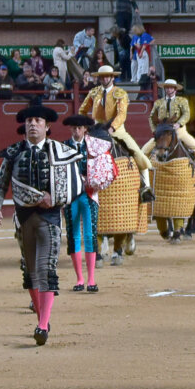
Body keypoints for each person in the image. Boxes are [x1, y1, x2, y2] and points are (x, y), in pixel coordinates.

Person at [0, 105, 85, 346]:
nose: (33, 124)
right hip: (23, 219)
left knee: (46, 268)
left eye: (38, 120)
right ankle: (42, 316)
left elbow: (76, 184)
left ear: (47, 126)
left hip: (50, 218)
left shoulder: (60, 151)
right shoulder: (13, 152)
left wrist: (57, 198)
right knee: (29, 270)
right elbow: (0, 184)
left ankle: (43, 324)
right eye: (30, 120)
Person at [78, 65, 154, 197]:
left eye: (107, 76)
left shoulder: (119, 93)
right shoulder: (94, 92)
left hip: (117, 130)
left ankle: (146, 188)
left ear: (112, 77)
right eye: (102, 76)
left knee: (137, 152)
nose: (104, 78)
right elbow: (82, 110)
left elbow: (121, 114)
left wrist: (112, 127)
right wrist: (87, 126)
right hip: (96, 130)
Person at [62, 115, 115, 293]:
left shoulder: (95, 145)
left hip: (89, 194)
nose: (76, 131)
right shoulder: (63, 147)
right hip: (71, 197)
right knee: (73, 235)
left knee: (90, 235)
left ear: (85, 129)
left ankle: (91, 279)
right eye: (73, 128)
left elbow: (104, 164)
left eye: (79, 128)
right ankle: (79, 279)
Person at [141, 79, 195, 182]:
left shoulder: (182, 101)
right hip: (162, 132)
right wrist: (155, 131)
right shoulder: (158, 102)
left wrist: (179, 123)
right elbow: (151, 117)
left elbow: (186, 114)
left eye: (171, 87)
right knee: (144, 151)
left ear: (175, 89)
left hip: (179, 131)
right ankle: (141, 176)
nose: (168, 89)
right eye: (167, 87)